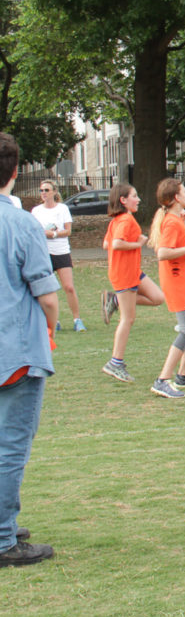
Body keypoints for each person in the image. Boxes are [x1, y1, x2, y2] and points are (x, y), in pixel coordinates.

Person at [0, 133, 60, 566]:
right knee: (11, 447)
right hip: (15, 352)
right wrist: (49, 330)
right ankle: (3, 539)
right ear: (17, 172)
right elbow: (48, 297)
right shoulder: (22, 224)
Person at [146, 178, 185, 398]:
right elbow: (163, 253)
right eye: (184, 192)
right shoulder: (171, 223)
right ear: (176, 197)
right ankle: (162, 380)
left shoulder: (175, 220)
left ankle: (184, 374)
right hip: (177, 282)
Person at [100, 184, 164, 383]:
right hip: (124, 274)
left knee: (158, 297)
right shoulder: (125, 220)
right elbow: (116, 244)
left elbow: (106, 244)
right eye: (134, 196)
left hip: (133, 271)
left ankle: (115, 300)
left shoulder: (118, 220)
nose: (138, 200)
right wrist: (138, 244)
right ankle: (115, 363)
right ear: (123, 200)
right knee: (127, 319)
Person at [31, 180, 85, 332]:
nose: (43, 193)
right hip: (44, 253)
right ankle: (54, 321)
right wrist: (43, 233)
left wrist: (54, 234)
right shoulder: (36, 211)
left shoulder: (62, 209)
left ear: (54, 192)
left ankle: (77, 320)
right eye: (41, 190)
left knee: (69, 287)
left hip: (61, 251)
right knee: (48, 289)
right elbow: (33, 231)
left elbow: (68, 231)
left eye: (46, 190)